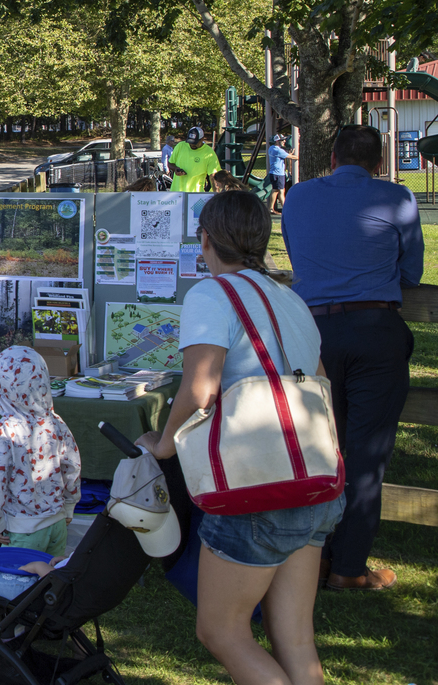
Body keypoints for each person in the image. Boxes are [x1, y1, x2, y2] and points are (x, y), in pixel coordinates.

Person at [140, 189, 342, 681]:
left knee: (222, 631)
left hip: (257, 486)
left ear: (205, 239)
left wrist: (163, 442)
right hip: (316, 479)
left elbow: (201, 388)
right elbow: (319, 383)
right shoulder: (291, 298)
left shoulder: (211, 294)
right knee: (294, 636)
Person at [281, 123, 421, 591]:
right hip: (374, 330)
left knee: (317, 446)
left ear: (334, 158)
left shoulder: (298, 197)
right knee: (366, 452)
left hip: (313, 332)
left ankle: (311, 557)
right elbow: (413, 271)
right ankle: (348, 567)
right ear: (379, 163)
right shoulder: (396, 198)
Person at [0, 345, 80, 556]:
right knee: (52, 581)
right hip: (57, 523)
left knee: (21, 584)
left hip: (24, 528)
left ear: (1, 385)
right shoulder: (55, 422)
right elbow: (72, 465)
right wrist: (70, 504)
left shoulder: (6, 429)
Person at [169, 126, 221, 192]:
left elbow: (213, 175)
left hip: (196, 194)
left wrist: (216, 194)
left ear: (202, 139)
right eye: (190, 142)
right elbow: (170, 163)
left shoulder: (209, 153)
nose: (192, 144)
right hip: (177, 192)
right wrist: (175, 169)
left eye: (195, 142)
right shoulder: (180, 146)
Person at [266, 134, 297, 213]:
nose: (284, 141)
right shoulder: (278, 150)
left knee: (275, 190)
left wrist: (290, 154)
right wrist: (298, 156)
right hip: (279, 173)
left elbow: (285, 155)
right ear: (277, 141)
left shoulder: (271, 148)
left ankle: (271, 208)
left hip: (273, 172)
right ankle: (285, 208)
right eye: (282, 140)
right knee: (280, 191)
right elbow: (292, 157)